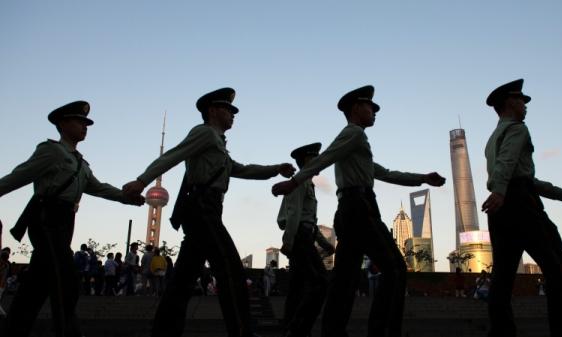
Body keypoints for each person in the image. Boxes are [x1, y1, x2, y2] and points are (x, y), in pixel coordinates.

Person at [272, 85, 446, 337]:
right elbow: (325, 158)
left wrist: (422, 178)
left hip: (350, 210)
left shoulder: (355, 145)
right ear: (356, 108)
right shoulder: (354, 134)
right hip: (360, 208)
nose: (374, 112)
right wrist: (294, 182)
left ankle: (332, 332)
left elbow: (385, 173)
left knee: (344, 280)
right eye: (370, 107)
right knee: (395, 268)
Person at [122, 87, 295, 337]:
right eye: (228, 109)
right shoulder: (204, 133)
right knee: (230, 269)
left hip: (208, 208)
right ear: (213, 111)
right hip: (202, 209)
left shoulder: (218, 144)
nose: (233, 114)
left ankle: (163, 331)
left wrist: (275, 168)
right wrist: (142, 181)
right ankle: (242, 331)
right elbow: (173, 155)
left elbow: (242, 169)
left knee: (182, 279)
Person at [0, 100, 144, 337]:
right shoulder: (51, 151)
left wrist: (126, 198)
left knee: (37, 283)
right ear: (63, 123)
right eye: (80, 121)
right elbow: (18, 176)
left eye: (86, 123)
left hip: (65, 222)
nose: (85, 126)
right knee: (65, 279)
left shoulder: (80, 163)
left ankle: (14, 330)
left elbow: (98, 187)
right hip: (47, 218)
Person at [481, 79, 562, 337]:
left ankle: (501, 332)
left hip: (500, 208)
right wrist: (500, 191)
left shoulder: (492, 138)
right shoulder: (518, 129)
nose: (525, 105)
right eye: (521, 100)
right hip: (520, 203)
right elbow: (512, 169)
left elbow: (520, 175)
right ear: (509, 102)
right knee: (559, 268)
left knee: (502, 277)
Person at [277, 142, 335, 337]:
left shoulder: (308, 182)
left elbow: (309, 220)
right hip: (300, 238)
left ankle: (290, 328)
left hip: (305, 236)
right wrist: (289, 242)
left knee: (297, 287)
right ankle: (298, 328)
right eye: (314, 158)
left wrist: (324, 243)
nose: (319, 162)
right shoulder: (300, 182)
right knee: (319, 283)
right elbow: (294, 215)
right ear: (306, 161)